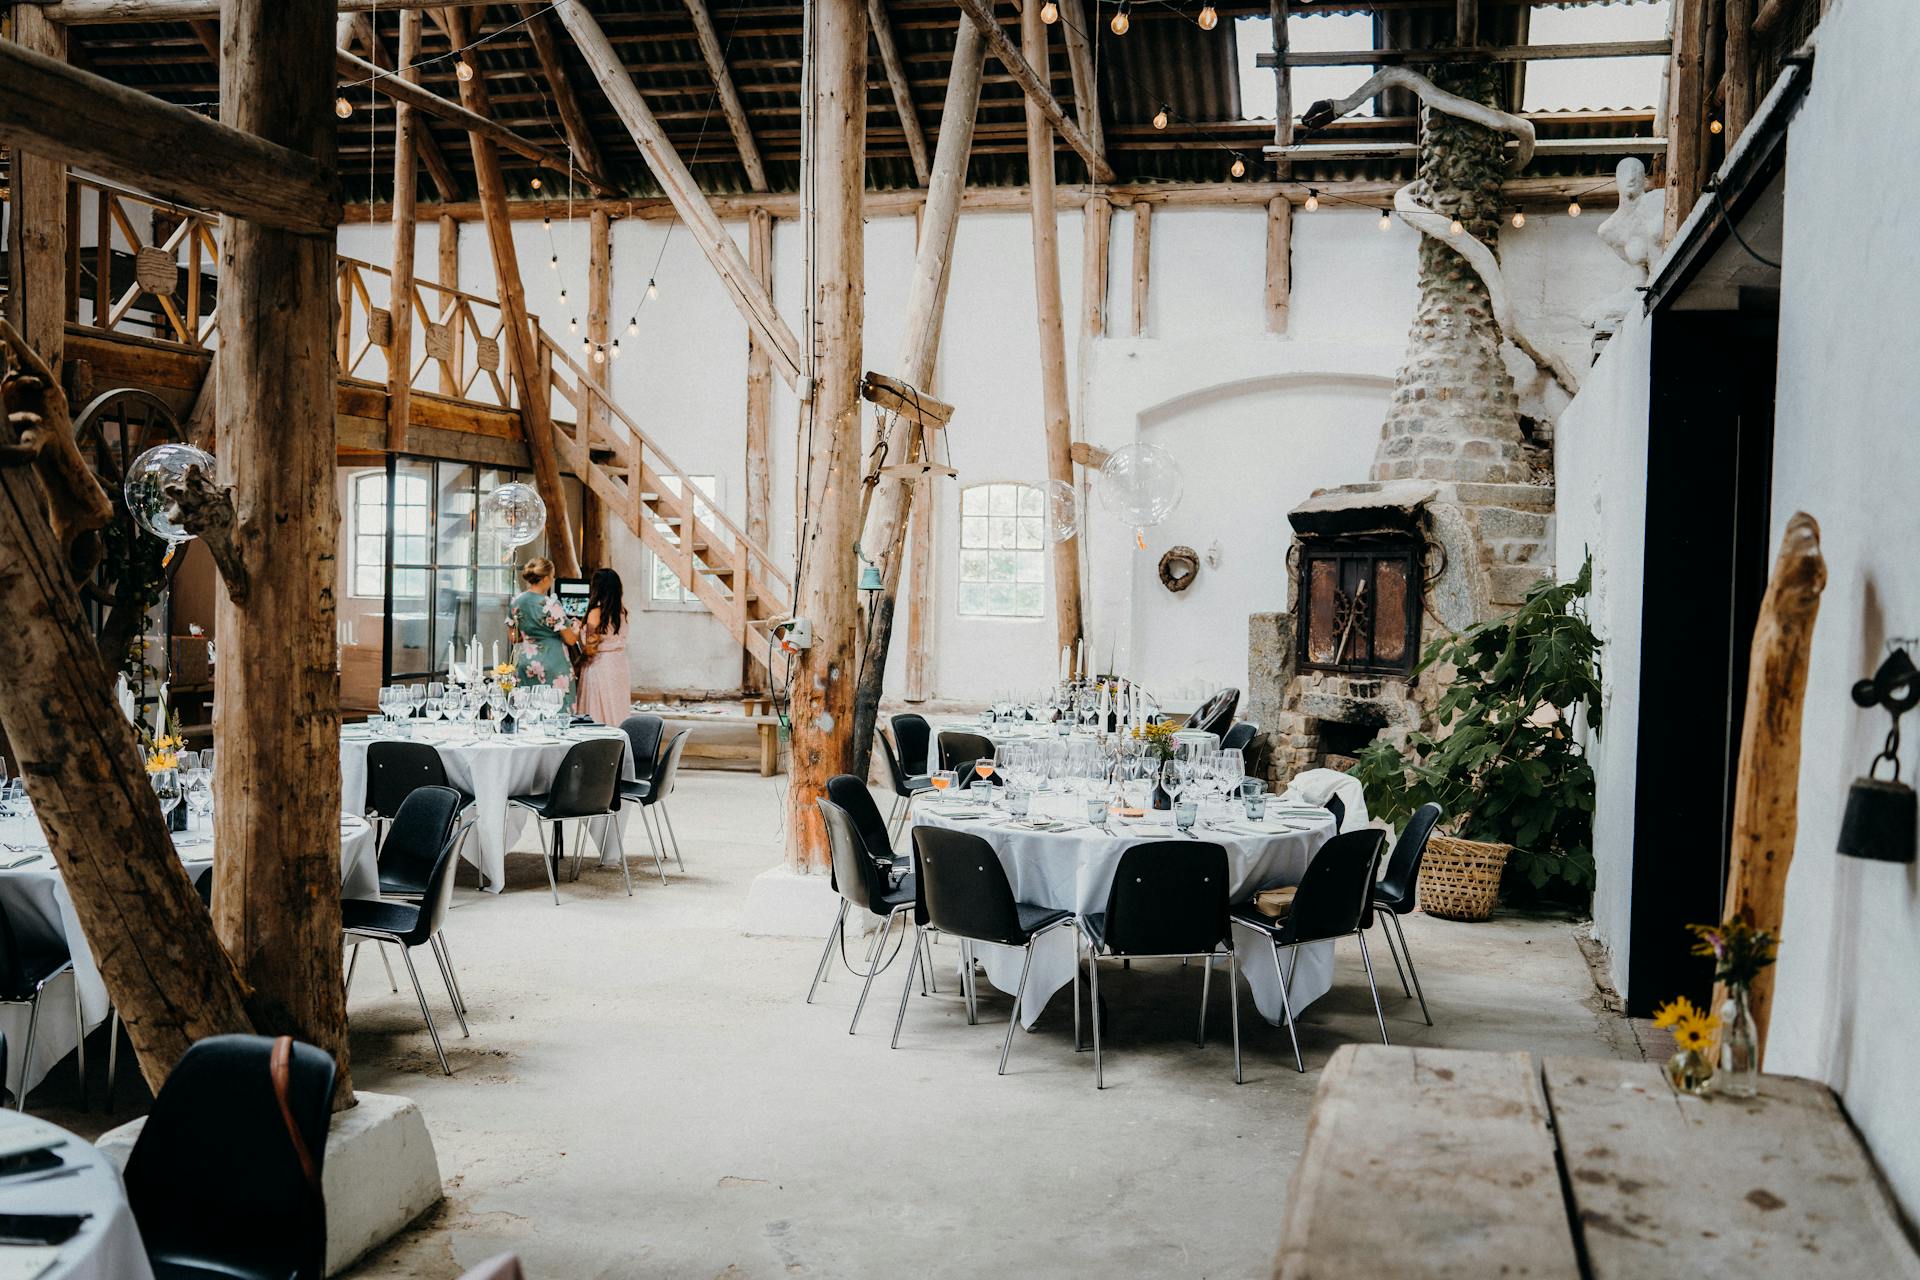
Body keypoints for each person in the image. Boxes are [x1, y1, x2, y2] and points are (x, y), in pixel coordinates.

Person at [508, 556, 579, 711]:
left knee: (528, 709)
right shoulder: (551, 604)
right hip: (554, 664)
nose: (552, 580)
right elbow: (571, 640)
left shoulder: (516, 602)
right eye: (552, 577)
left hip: (527, 662)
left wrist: (530, 632)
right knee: (557, 708)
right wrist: (576, 628)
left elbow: (513, 637)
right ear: (546, 578)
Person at [573, 568, 632, 726]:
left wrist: (576, 663)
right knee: (616, 706)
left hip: (600, 665)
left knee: (598, 707)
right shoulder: (622, 611)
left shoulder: (596, 612)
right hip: (618, 663)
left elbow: (591, 646)